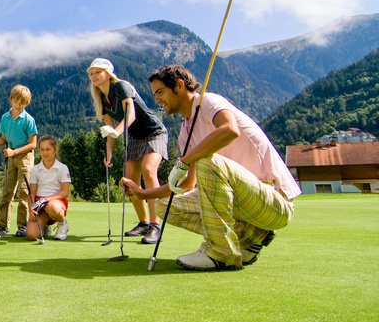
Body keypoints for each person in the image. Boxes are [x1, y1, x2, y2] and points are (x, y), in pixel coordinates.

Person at [122, 65, 301, 270]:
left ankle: (220, 252)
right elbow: (188, 185)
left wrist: (187, 160)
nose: (157, 100)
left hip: (274, 202)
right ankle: (249, 238)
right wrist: (144, 194)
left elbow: (229, 130)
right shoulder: (185, 132)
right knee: (165, 204)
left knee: (208, 160)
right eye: (155, 94)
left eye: (160, 92)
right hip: (243, 205)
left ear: (179, 85)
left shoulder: (208, 101)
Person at [87, 58, 168, 244]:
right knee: (129, 181)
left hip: (154, 132)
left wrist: (117, 132)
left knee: (148, 170)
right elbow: (109, 130)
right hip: (135, 136)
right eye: (91, 74)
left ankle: (156, 226)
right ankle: (144, 223)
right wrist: (109, 153)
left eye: (97, 72)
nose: (93, 76)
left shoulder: (121, 86)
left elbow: (129, 115)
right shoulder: (101, 97)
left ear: (108, 73)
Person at [0, 84, 38, 237]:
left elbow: (33, 144)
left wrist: (14, 151)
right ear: (11, 100)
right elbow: (3, 138)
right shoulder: (5, 118)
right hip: (11, 157)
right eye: (15, 101)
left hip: (25, 157)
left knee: (24, 192)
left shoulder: (28, 119)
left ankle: (23, 226)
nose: (18, 104)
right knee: (7, 192)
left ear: (26, 103)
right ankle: (2, 226)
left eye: (22, 102)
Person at [28, 135, 71, 241]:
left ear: (55, 150)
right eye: (42, 149)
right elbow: (31, 193)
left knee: (52, 207)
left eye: (48, 149)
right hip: (39, 204)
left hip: (56, 202)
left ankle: (62, 224)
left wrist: (47, 199)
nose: (45, 153)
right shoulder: (35, 169)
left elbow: (65, 192)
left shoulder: (62, 168)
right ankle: (46, 225)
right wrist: (31, 209)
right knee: (31, 235)